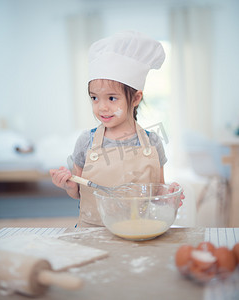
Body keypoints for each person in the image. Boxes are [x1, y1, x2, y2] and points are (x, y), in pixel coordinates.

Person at [50, 31, 185, 227]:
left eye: (112, 98)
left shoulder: (153, 143)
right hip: (92, 232)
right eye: (94, 98)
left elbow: (157, 191)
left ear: (136, 98)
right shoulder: (85, 141)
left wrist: (169, 194)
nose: (102, 107)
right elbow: (78, 193)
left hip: (138, 231)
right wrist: (69, 187)